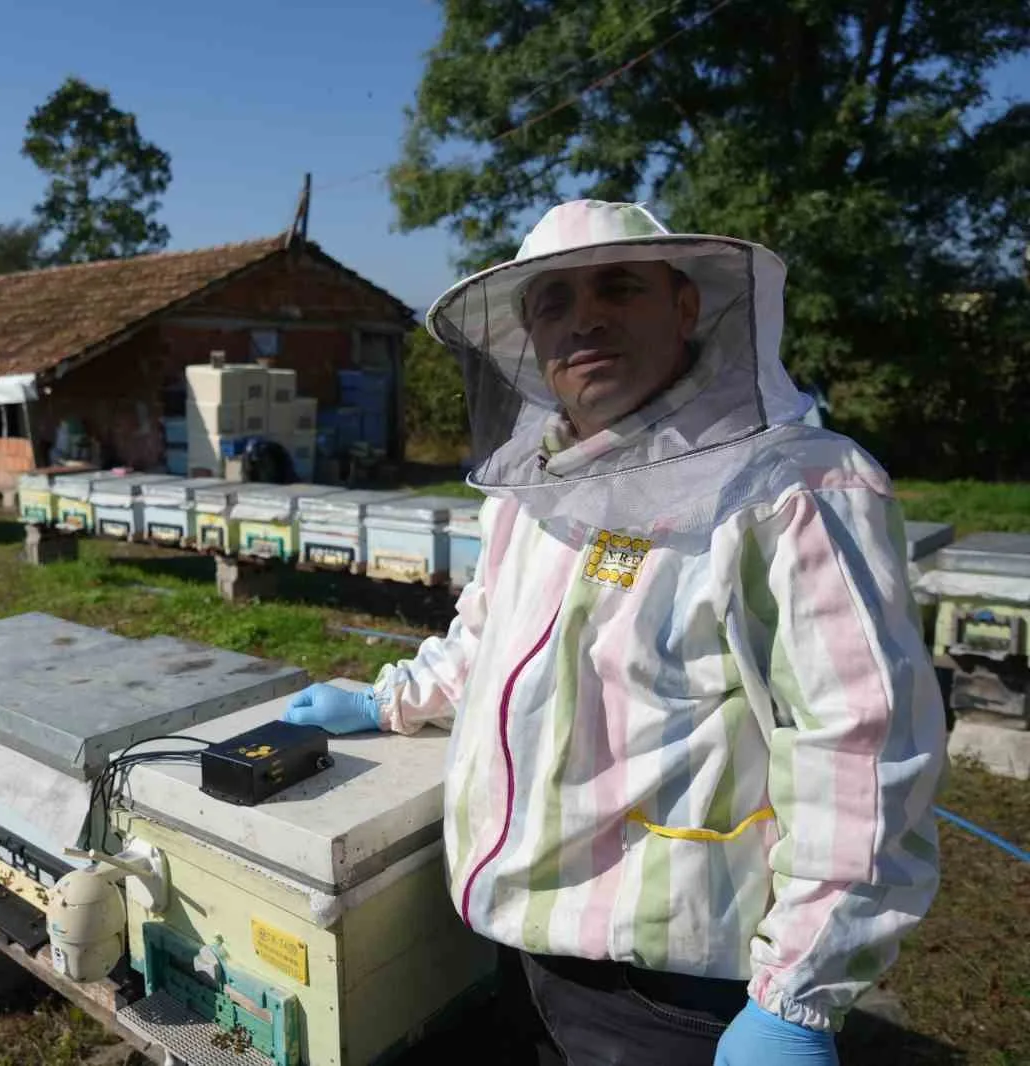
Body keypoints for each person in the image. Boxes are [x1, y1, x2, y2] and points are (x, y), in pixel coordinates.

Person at [285, 201, 945, 1066]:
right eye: (552, 302)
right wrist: (389, 696)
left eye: (618, 286)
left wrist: (799, 995)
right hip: (523, 948)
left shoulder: (794, 490)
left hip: (680, 990)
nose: (584, 316)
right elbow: (487, 645)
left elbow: (862, 749)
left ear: (683, 307)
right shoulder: (538, 492)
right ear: (528, 337)